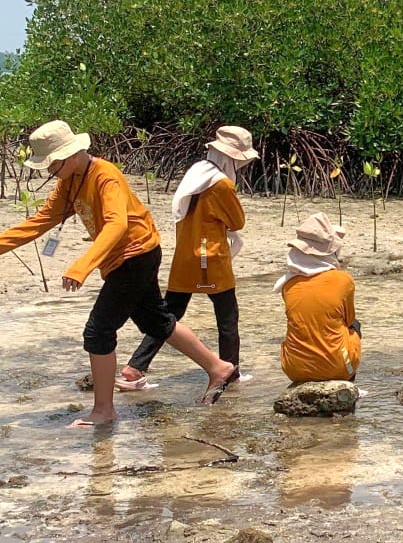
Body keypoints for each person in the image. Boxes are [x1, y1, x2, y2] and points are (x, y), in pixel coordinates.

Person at [0, 120, 237, 428]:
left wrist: (82, 266)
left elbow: (117, 225)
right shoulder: (69, 182)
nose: (48, 170)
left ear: (72, 155)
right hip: (123, 259)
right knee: (157, 321)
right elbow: (40, 221)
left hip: (136, 255)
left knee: (98, 332)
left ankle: (103, 411)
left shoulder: (105, 176)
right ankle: (219, 368)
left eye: (52, 163)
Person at [117, 126, 257, 391]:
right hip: (211, 259)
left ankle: (135, 367)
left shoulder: (196, 173)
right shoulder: (222, 184)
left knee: (168, 314)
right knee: (228, 318)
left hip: (185, 257)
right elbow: (237, 221)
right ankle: (231, 370)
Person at [276, 213, 362, 383]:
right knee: (354, 326)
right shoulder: (343, 280)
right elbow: (349, 319)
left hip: (294, 370)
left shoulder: (287, 286)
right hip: (338, 368)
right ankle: (347, 392)